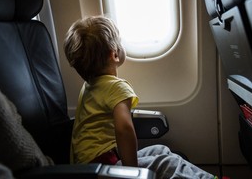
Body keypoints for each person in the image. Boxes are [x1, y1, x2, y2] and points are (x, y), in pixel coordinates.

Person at [64, 16, 216, 178]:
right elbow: (124, 129)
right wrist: (132, 172)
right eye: (120, 42)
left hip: (89, 164)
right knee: (167, 163)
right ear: (114, 54)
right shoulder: (116, 87)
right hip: (103, 164)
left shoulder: (88, 87)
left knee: (161, 150)